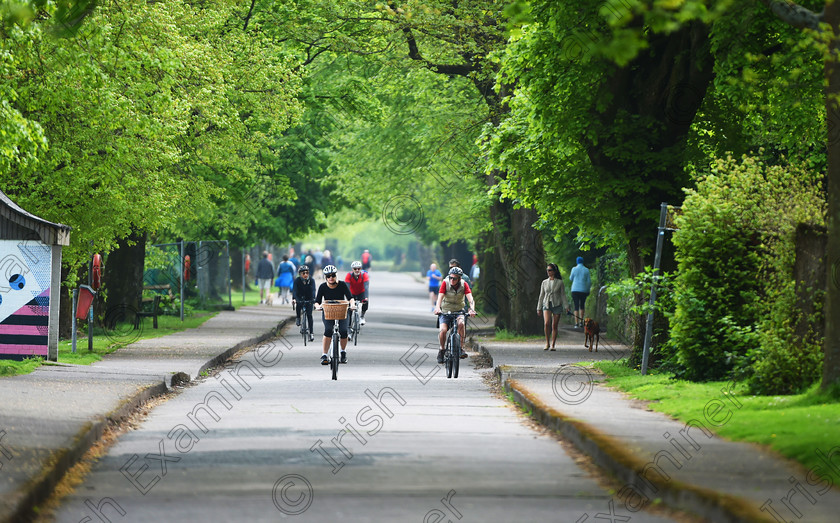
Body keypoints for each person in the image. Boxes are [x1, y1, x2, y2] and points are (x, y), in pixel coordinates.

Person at [314, 265, 355, 365]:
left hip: (341, 311)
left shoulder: (342, 285)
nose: (331, 278)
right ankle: (324, 354)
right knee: (328, 330)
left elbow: (350, 297)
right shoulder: (323, 287)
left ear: (336, 275)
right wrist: (317, 307)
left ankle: (343, 352)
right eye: (328, 276)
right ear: (325, 277)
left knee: (344, 331)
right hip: (328, 312)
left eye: (333, 275)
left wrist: (352, 305)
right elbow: (317, 301)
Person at [433, 267, 476, 364]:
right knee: (443, 330)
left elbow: (470, 299)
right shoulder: (445, 283)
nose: (452, 280)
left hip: (458, 310)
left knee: (461, 324)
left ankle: (461, 348)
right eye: (451, 278)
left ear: (460, 279)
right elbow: (440, 296)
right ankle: (442, 349)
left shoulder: (464, 284)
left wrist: (472, 309)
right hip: (446, 310)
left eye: (454, 278)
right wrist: (438, 308)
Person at [538, 263, 569, 351]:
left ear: (554, 271)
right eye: (547, 270)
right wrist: (539, 308)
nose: (548, 272)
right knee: (546, 323)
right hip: (546, 304)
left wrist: (566, 306)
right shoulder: (544, 282)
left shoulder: (560, 282)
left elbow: (563, 295)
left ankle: (553, 345)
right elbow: (541, 295)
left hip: (557, 304)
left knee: (554, 325)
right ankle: (547, 343)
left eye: (550, 270)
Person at [291, 265, 316, 341]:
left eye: (307, 273)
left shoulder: (311, 280)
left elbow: (313, 290)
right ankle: (298, 317)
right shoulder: (297, 280)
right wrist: (294, 299)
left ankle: (311, 333)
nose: (305, 275)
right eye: (303, 273)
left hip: (309, 298)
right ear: (300, 274)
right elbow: (294, 291)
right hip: (300, 297)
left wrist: (314, 299)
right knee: (298, 305)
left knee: (309, 315)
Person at [345, 261, 370, 325]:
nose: (357, 270)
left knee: (366, 302)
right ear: (352, 269)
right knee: (349, 308)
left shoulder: (364, 275)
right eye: (355, 269)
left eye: (359, 268)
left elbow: (366, 286)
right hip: (352, 293)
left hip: (361, 292)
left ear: (361, 269)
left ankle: (362, 316)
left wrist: (366, 297)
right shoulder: (349, 275)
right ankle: (349, 326)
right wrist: (348, 298)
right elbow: (346, 287)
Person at [569, 256, 592, 328]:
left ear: (577, 262)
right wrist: (588, 290)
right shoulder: (586, 270)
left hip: (575, 289)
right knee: (582, 305)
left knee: (576, 306)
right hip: (583, 290)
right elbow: (589, 282)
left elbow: (571, 278)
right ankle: (581, 322)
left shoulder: (574, 269)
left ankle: (576, 323)